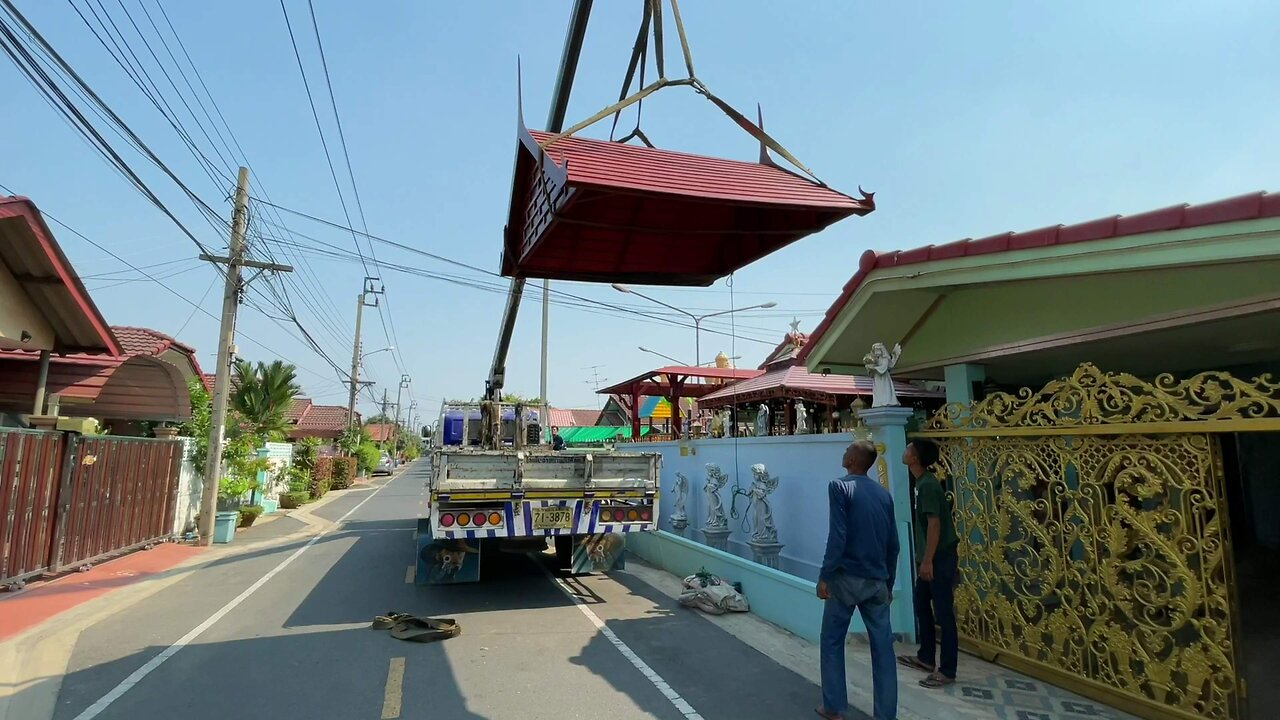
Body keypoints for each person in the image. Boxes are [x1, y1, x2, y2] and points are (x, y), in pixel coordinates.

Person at [817, 440, 899, 720]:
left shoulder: (839, 487)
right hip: (877, 580)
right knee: (883, 650)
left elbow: (837, 536)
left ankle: (833, 706)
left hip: (846, 579)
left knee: (831, 640)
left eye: (846, 451)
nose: (843, 454)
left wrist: (825, 575)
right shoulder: (883, 495)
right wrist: (888, 583)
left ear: (852, 459)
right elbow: (893, 544)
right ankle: (886, 714)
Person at [897, 438, 959, 689]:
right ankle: (926, 656)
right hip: (930, 557)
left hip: (939, 558)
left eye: (909, 448)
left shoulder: (929, 486)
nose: (905, 450)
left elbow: (935, 525)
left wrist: (928, 560)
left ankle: (947, 669)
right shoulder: (920, 483)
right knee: (921, 603)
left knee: (943, 613)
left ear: (915, 457)